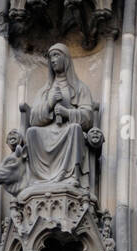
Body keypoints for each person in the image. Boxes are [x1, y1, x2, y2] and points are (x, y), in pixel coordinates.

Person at [23, 45, 96, 188]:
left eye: (56, 55)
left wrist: (67, 113)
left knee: (75, 129)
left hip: (67, 129)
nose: (53, 60)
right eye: (51, 57)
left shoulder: (80, 88)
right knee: (31, 132)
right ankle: (39, 178)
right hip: (49, 130)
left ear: (66, 59)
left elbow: (88, 117)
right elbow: (33, 119)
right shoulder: (45, 91)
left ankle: (69, 175)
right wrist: (49, 105)